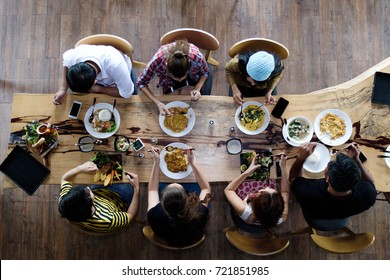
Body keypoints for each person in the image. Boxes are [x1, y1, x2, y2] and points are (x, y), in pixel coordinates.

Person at [289, 142, 376, 230]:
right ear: (357, 180)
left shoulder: (308, 193)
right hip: (342, 215)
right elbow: (370, 181)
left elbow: (293, 178)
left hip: (315, 217)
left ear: (327, 179)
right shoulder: (368, 196)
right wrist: (356, 160)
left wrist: (301, 158)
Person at [146, 147, 212, 247]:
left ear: (162, 202)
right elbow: (206, 189)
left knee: (161, 184)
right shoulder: (199, 213)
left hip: (169, 236)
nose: (175, 182)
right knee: (196, 186)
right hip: (190, 234)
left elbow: (152, 189)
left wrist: (156, 162)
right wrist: (193, 163)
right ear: (188, 199)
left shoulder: (154, 214)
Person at [58, 161, 140, 233]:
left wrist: (80, 169)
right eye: (87, 192)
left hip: (100, 193)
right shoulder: (108, 220)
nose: (87, 188)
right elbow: (130, 216)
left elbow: (65, 179)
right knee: (128, 180)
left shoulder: (66, 202)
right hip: (119, 199)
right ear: (90, 205)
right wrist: (136, 189)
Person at [136, 39, 211, 115]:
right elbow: (141, 82)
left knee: (187, 101)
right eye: (176, 78)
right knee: (172, 104)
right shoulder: (158, 59)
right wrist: (157, 102)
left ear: (189, 66)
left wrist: (197, 88)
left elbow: (205, 72)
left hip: (192, 79)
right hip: (169, 83)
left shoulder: (197, 57)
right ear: (166, 66)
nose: (179, 81)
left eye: (181, 78)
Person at [224, 153, 290, 231]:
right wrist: (283, 167)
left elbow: (228, 190)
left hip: (244, 202)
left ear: (254, 200)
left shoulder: (245, 211)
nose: (267, 186)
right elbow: (285, 191)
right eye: (274, 190)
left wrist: (247, 172)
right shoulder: (282, 216)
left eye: (263, 190)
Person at [53, 44, 136, 105]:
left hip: (122, 77)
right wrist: (63, 89)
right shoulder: (74, 57)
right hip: (98, 83)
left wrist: (98, 89)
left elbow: (127, 93)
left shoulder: (116, 65)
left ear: (95, 82)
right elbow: (66, 63)